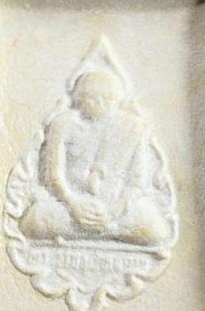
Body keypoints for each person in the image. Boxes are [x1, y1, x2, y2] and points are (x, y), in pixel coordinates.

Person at [20, 70, 171, 246]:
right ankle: (108, 232)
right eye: (85, 98)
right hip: (70, 206)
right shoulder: (63, 124)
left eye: (107, 99)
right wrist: (73, 204)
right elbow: (54, 176)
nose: (85, 103)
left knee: (156, 229)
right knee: (35, 220)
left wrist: (113, 211)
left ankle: (105, 230)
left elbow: (137, 181)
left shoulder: (133, 127)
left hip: (116, 207)